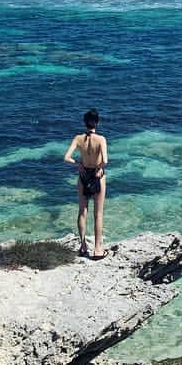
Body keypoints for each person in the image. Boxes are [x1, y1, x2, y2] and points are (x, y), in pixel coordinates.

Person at [64, 108, 108, 259]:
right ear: (97, 122)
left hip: (83, 175)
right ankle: (97, 250)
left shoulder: (78, 138)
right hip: (97, 175)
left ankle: (83, 247)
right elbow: (105, 161)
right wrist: (100, 168)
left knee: (82, 212)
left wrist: (78, 163)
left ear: (84, 123)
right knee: (98, 214)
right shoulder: (101, 139)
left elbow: (66, 157)